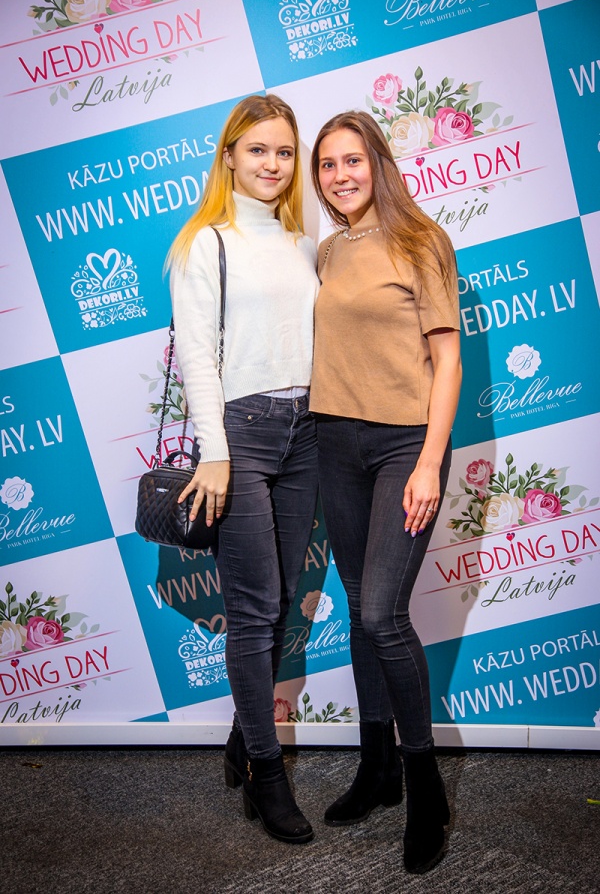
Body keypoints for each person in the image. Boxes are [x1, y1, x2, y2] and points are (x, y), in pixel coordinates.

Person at [309, 111, 462, 873]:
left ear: (379, 162)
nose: (340, 175)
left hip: (404, 446)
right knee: (358, 610)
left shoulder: (421, 240)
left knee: (382, 614)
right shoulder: (329, 250)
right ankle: (377, 769)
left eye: (352, 160)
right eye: (327, 164)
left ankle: (425, 787)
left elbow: (447, 360)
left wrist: (429, 462)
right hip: (333, 444)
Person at [167, 94, 319, 845]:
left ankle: (240, 739)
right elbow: (197, 357)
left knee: (283, 597)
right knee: (256, 610)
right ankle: (266, 770)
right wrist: (217, 453)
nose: (272, 163)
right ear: (228, 155)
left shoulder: (302, 242)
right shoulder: (207, 243)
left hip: (309, 432)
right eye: (257, 149)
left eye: (284, 151)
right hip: (244, 435)